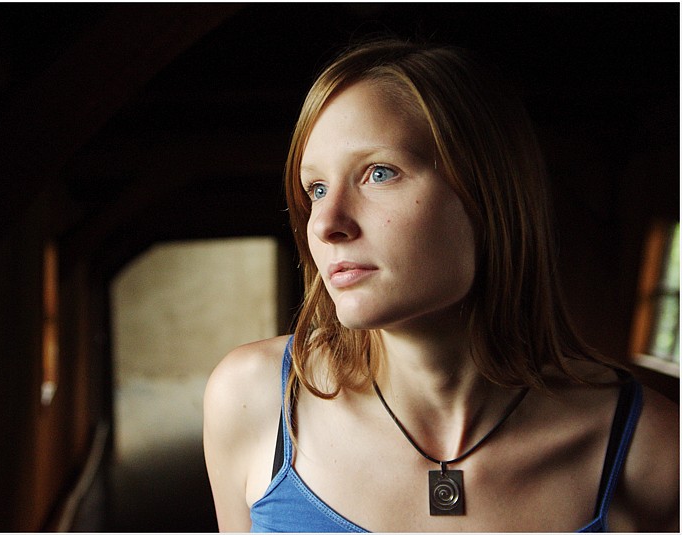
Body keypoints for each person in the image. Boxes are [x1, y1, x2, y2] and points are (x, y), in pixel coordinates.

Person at [202, 39, 679, 532]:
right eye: (316, 189)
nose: (325, 223)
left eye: (378, 173)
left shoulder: (651, 450)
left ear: (487, 195)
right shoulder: (253, 400)